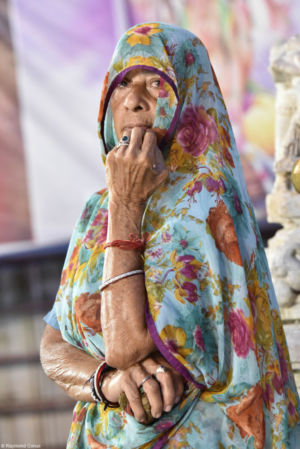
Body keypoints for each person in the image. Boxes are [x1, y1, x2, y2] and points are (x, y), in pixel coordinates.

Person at [40, 22, 300, 448]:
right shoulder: (95, 210)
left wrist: (127, 206)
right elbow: (53, 345)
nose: (135, 101)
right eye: (124, 83)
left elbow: (128, 348)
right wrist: (104, 381)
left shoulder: (207, 200)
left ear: (191, 99)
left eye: (156, 83)